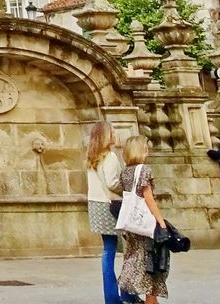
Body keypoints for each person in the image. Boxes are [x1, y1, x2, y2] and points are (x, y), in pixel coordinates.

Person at [86, 121, 140, 304]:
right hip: (112, 206)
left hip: (97, 205)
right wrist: (127, 189)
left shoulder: (93, 157)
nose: (115, 134)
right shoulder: (109, 157)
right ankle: (124, 294)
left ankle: (113, 296)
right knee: (128, 249)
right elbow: (111, 183)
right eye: (113, 131)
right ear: (105, 135)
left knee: (109, 249)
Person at [117, 135, 168, 304]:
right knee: (150, 262)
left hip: (130, 225)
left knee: (137, 259)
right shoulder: (144, 170)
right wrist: (161, 222)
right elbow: (148, 199)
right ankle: (150, 300)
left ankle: (149, 299)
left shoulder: (125, 172)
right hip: (144, 224)